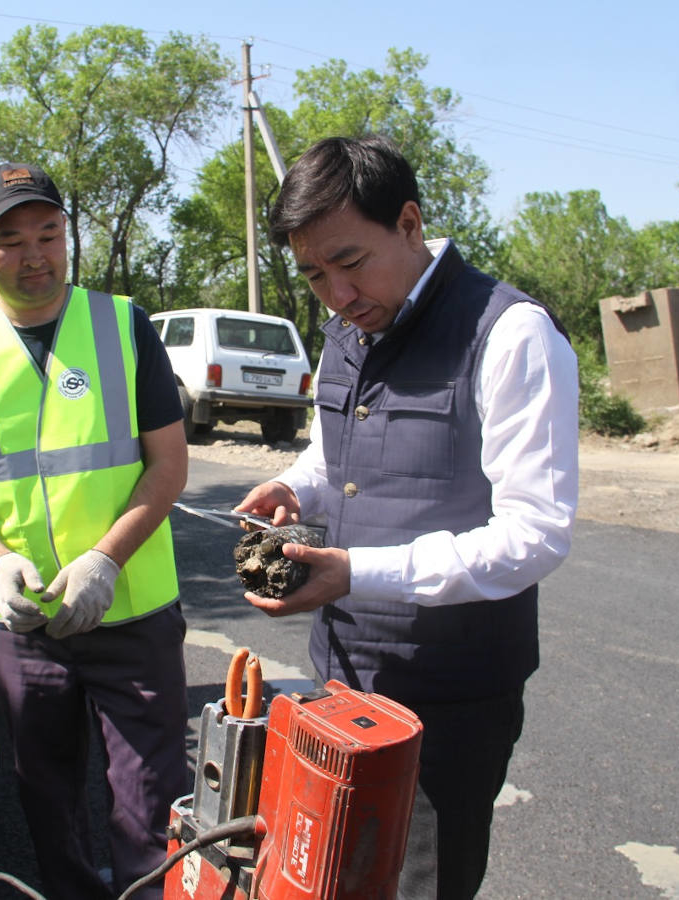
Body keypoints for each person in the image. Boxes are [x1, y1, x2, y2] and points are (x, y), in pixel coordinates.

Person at [234, 135, 579, 899]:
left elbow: (535, 534)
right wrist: (295, 490)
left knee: (421, 887)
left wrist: (356, 574)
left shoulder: (509, 333)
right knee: (319, 878)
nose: (335, 292)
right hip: (342, 676)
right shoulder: (346, 332)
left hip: (448, 700)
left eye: (350, 262)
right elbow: (336, 464)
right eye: (314, 274)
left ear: (411, 223)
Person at [0, 162, 190, 900]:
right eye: (11, 239)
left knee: (153, 799)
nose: (35, 255)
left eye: (50, 233)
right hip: (23, 625)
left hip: (132, 611)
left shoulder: (124, 324)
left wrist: (105, 558)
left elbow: (167, 465)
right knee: (49, 796)